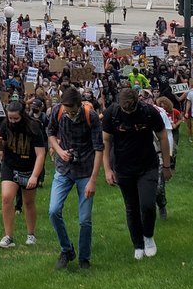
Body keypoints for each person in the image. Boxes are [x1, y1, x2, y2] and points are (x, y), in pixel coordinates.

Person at [103, 86, 171, 259]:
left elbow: (163, 135)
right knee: (131, 207)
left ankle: (148, 237)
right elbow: (105, 140)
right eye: (125, 109)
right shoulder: (112, 113)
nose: (128, 112)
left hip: (147, 165)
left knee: (147, 205)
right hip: (123, 167)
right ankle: (138, 244)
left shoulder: (149, 112)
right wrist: (107, 169)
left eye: (131, 109)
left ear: (137, 102)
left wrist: (166, 166)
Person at [45, 87, 103, 270]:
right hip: (64, 169)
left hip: (85, 170)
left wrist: (93, 179)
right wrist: (60, 151)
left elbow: (99, 148)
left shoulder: (90, 116)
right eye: (66, 111)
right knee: (53, 210)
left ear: (79, 106)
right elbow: (50, 133)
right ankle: (66, 249)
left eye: (72, 111)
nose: (69, 114)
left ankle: (84, 259)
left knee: (84, 219)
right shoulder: (58, 111)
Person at [0, 100, 46, 249]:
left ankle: (31, 234)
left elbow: (41, 154)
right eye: (10, 118)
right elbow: (2, 148)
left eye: (16, 118)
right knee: (6, 198)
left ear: (22, 115)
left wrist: (35, 176)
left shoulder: (34, 127)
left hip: (29, 167)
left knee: (28, 202)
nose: (12, 121)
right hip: (10, 165)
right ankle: (8, 236)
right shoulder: (5, 125)